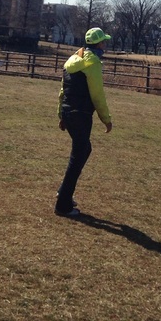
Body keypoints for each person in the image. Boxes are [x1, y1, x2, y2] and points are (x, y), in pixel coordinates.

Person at [55, 27, 113, 218]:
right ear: (98, 44)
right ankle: (63, 203)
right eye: (103, 42)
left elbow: (63, 90)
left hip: (69, 112)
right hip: (81, 114)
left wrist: (61, 114)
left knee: (82, 150)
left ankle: (64, 192)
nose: (105, 45)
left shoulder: (72, 60)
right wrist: (106, 119)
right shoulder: (93, 63)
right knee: (79, 154)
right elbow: (97, 94)